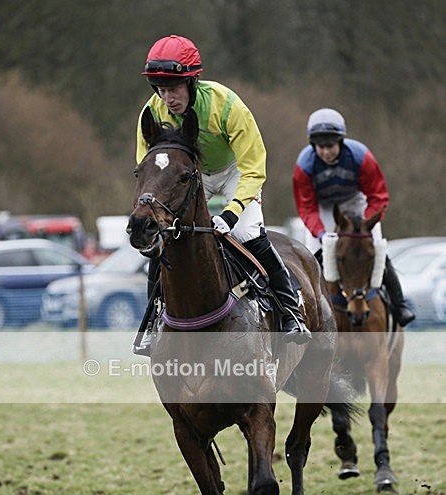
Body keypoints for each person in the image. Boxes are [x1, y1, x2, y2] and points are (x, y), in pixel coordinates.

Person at [134, 34, 311, 354]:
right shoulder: (152, 112)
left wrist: (231, 213)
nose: (167, 97)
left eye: (174, 88)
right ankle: (151, 321)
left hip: (234, 172)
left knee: (246, 232)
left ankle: (290, 311)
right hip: (186, 176)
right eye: (160, 89)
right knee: (165, 239)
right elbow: (148, 169)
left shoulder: (226, 105)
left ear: (192, 82)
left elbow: (254, 166)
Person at [293, 107, 415, 326]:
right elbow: (306, 207)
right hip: (323, 207)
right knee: (311, 259)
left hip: (356, 202)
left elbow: (378, 197)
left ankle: (400, 305)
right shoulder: (304, 165)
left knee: (377, 250)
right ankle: (302, 313)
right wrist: (321, 234)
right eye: (321, 147)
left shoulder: (361, 157)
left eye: (330, 146)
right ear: (313, 146)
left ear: (340, 142)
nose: (326, 152)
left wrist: (364, 225)